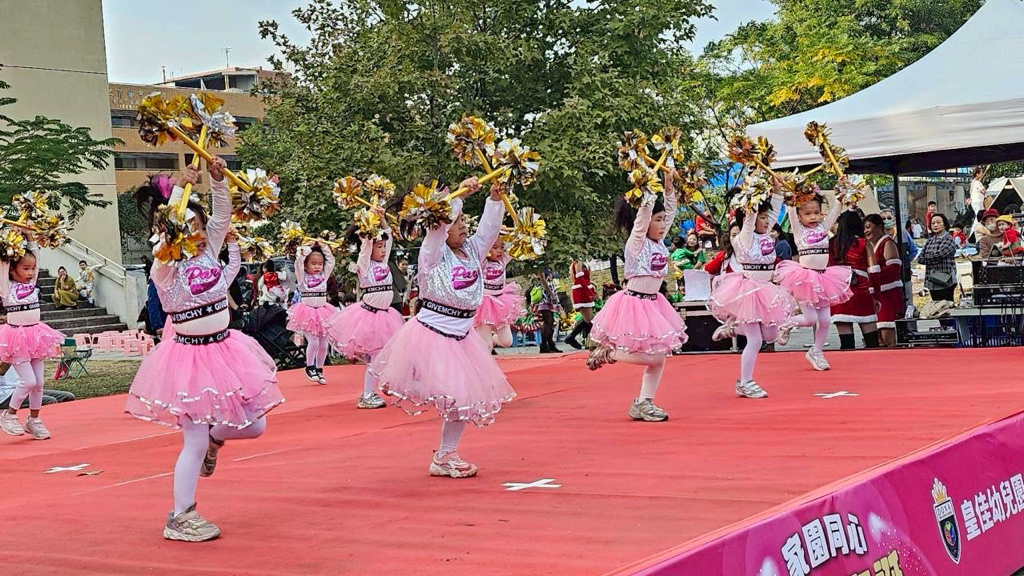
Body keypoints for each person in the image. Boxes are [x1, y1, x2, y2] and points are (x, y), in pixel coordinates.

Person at [125, 160, 284, 542]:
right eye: (188, 228)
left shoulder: (210, 251)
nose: (196, 233)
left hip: (226, 351)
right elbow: (168, 233)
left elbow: (223, 215)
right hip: (189, 360)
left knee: (256, 425)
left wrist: (217, 181)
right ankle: (180, 516)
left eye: (199, 226)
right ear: (170, 233)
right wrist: (180, 189)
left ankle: (216, 439)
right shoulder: (164, 269)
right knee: (192, 442)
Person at [370, 178, 515, 478]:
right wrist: (458, 197)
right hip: (432, 334)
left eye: (463, 221)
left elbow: (488, 231)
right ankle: (409, 375)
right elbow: (437, 227)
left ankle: (446, 454)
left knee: (462, 399)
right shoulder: (432, 254)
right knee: (450, 393)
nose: (463, 227)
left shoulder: (473, 251)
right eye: (457, 222)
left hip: (462, 337)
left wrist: (494, 199)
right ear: (442, 225)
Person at [587, 169, 687, 422]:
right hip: (633, 304)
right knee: (653, 356)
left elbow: (671, 210)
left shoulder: (659, 242)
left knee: (659, 358)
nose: (663, 225)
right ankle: (609, 353)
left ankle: (644, 402)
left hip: (654, 305)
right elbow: (643, 216)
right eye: (658, 220)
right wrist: (648, 188)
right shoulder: (637, 242)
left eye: (663, 220)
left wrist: (668, 186)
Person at [707, 185, 796, 398]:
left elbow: (774, 210)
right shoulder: (744, 237)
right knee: (755, 340)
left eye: (766, 217)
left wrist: (776, 189)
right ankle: (745, 382)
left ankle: (732, 328)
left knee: (771, 335)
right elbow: (750, 216)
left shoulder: (766, 234)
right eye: (761, 217)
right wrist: (752, 194)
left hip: (766, 290)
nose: (766, 221)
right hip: (748, 291)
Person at [326, 216, 405, 409]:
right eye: (379, 247)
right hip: (370, 317)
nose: (383, 250)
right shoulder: (365, 264)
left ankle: (385, 383)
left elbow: (389, 235)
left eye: (384, 247)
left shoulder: (384, 263)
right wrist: (368, 231)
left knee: (389, 354)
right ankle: (367, 394)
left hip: (387, 316)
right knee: (376, 357)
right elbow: (366, 248)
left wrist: (382, 219)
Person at [776, 187, 853, 371]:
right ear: (799, 216)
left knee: (825, 320)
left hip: (824, 278)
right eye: (808, 214)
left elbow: (835, 213)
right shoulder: (798, 230)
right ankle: (786, 324)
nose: (813, 217)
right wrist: (791, 200)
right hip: (805, 279)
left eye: (816, 213)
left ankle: (816, 352)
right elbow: (791, 210)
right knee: (810, 319)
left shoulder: (823, 228)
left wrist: (840, 198)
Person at [0, 233, 65, 440]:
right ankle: (9, 415)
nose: (30, 272)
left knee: (38, 383)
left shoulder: (32, 283)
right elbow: (3, 262)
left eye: (33, 268)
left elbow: (35, 252)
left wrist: (29, 236)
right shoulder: (6, 287)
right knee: (27, 381)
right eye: (25, 268)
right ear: (12, 269)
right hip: (16, 337)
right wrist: (8, 242)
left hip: (35, 336)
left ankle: (34, 420)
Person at [288, 242, 342, 384]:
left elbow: (331, 261)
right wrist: (306, 249)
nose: (317, 266)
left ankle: (319, 369)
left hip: (323, 312)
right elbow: (298, 263)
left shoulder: (324, 276)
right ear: (306, 265)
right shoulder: (302, 277)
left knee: (324, 344)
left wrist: (324, 247)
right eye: (313, 263)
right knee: (313, 342)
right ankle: (310, 366)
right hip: (307, 313)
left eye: (320, 263)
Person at [829, 211, 879, 349]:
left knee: (846, 343)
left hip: (840, 292)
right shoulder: (864, 243)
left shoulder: (831, 243)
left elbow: (827, 269)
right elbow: (874, 270)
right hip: (862, 292)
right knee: (872, 341)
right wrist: (877, 296)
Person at [473, 238, 525, 353]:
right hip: (484, 305)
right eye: (495, 248)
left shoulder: (503, 261)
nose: (499, 251)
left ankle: (492, 340)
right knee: (487, 346)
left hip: (501, 304)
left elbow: (515, 246)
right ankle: (482, 351)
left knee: (507, 342)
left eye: (502, 247)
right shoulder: (482, 262)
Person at [864, 214, 905, 347]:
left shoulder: (887, 243)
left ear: (879, 227)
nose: (866, 231)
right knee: (878, 337)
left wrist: (872, 275)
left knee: (887, 332)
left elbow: (894, 269)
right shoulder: (869, 245)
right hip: (876, 295)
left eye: (868, 227)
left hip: (888, 295)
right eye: (864, 228)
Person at [918, 213, 958, 303]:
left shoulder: (949, 239)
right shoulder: (930, 240)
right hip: (932, 281)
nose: (935, 225)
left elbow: (939, 255)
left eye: (938, 222)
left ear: (944, 224)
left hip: (945, 280)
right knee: (936, 306)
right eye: (933, 223)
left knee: (946, 306)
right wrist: (931, 257)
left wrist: (928, 257)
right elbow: (920, 259)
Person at [0, 367, 75, 410]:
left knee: (68, 396)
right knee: (50, 401)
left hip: (24, 389)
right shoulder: (7, 351)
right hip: (5, 394)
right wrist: (9, 356)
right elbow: (1, 370)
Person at [564, 258, 597, 349]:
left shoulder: (579, 262)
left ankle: (574, 337)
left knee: (588, 319)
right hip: (582, 292)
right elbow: (580, 279)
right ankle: (590, 342)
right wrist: (590, 293)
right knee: (589, 320)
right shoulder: (577, 262)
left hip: (583, 291)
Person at [536, 270, 562, 353]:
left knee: (551, 322)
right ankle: (544, 345)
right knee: (547, 322)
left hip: (549, 299)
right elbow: (543, 281)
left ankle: (551, 344)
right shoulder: (541, 269)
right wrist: (552, 295)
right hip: (545, 299)